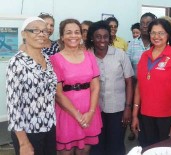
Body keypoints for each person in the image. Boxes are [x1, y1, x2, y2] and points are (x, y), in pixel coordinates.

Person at [131, 18, 171, 147]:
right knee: (147, 148)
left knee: (165, 150)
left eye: (161, 33)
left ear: (168, 35)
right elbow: (139, 87)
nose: (156, 36)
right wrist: (135, 115)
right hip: (145, 115)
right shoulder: (144, 56)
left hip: (167, 117)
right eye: (153, 33)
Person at [50, 19, 102, 155]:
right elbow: (58, 93)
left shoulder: (90, 56)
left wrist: (90, 113)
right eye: (68, 32)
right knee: (66, 151)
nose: (73, 36)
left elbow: (96, 86)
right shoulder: (55, 59)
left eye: (76, 32)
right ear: (62, 36)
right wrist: (78, 116)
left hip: (89, 110)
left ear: (81, 35)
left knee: (84, 150)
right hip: (68, 112)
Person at [6, 17, 57, 155]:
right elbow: (13, 106)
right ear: (24, 34)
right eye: (35, 30)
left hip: (49, 125)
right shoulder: (17, 63)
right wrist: (23, 142)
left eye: (44, 31)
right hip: (29, 131)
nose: (41, 34)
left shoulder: (47, 59)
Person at [86, 20, 134, 155]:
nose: (102, 40)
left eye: (105, 36)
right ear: (92, 37)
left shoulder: (120, 55)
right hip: (94, 110)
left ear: (110, 37)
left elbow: (129, 82)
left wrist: (128, 108)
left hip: (117, 109)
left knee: (116, 145)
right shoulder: (87, 56)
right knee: (96, 145)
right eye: (98, 36)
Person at [126, 12, 157, 145]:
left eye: (148, 23)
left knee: (153, 122)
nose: (145, 26)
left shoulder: (158, 43)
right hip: (136, 88)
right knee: (139, 119)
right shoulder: (132, 44)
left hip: (155, 90)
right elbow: (127, 67)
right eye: (142, 23)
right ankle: (143, 145)